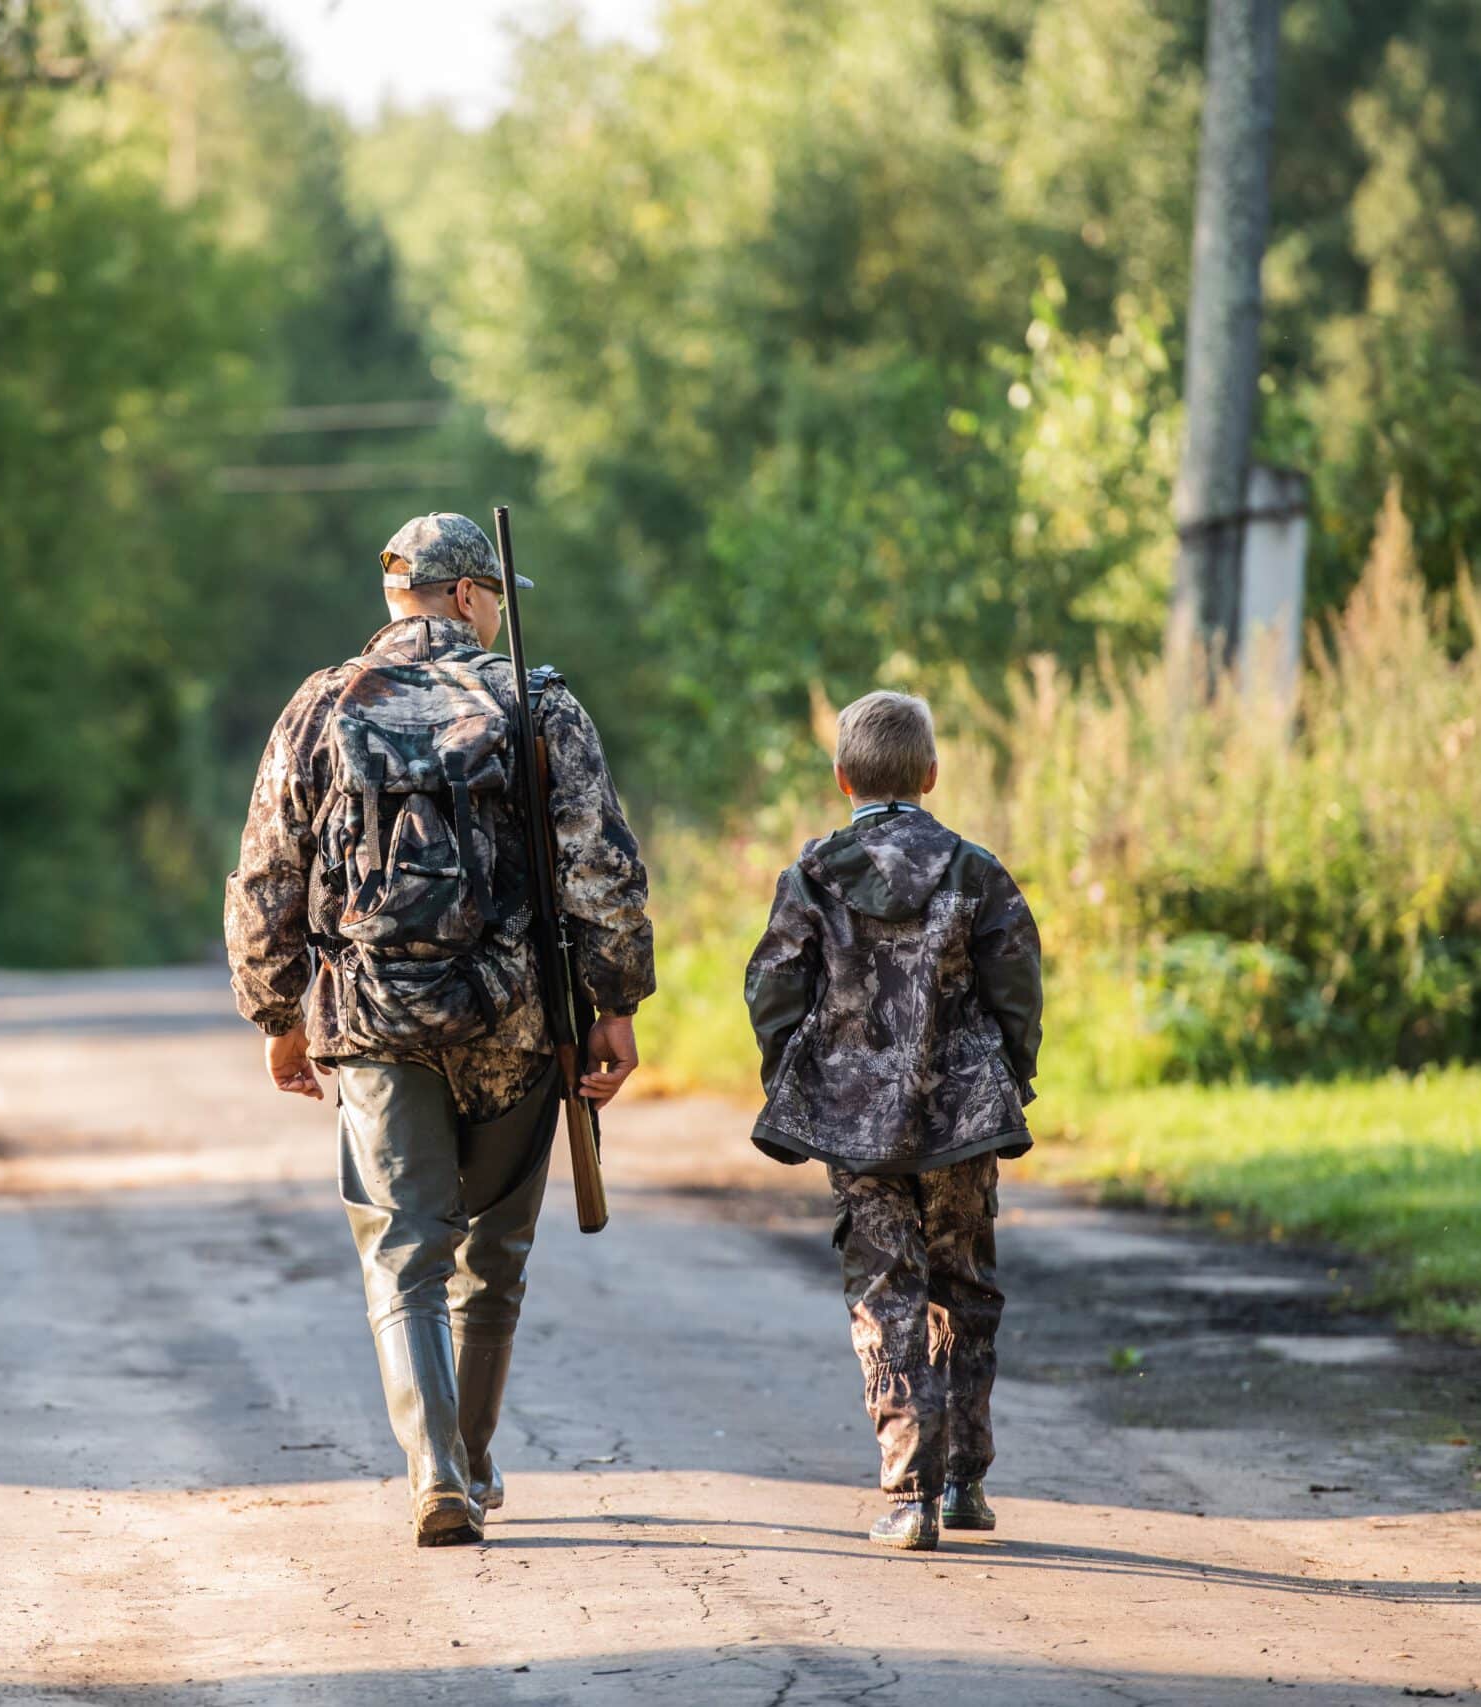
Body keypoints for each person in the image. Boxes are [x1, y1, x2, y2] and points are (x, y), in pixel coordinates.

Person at [225, 511, 654, 1548]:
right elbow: (599, 867)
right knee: (493, 1249)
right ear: (468, 596)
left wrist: (279, 1012)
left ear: (395, 597)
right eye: (496, 595)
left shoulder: (320, 706)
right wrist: (614, 1004)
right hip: (512, 1017)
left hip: (370, 1014)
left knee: (401, 1249)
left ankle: (437, 1474)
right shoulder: (535, 703)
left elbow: (267, 875)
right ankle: (469, 1451)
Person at [743, 690, 1042, 1551]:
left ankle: (908, 1495)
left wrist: (797, 1075)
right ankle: (965, 1484)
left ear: (842, 778)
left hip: (856, 1123)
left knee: (886, 1290)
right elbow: (1017, 984)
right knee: (965, 1286)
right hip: (964, 1120)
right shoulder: (973, 869)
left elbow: (773, 987)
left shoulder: (811, 875)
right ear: (933, 775)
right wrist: (1008, 1075)